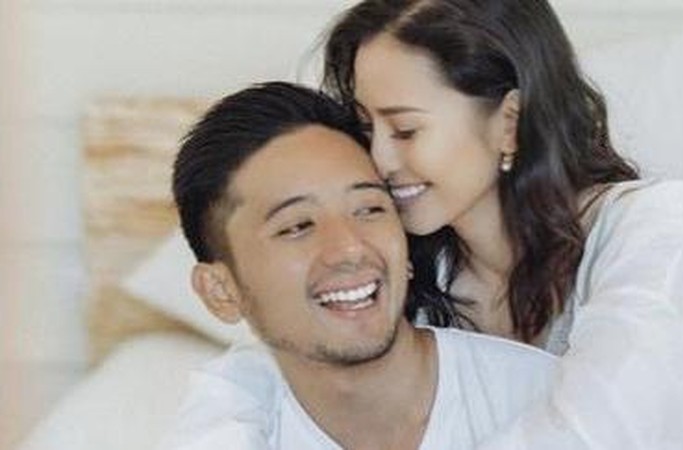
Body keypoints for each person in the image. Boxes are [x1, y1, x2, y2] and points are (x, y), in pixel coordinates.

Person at [321, 0, 683, 448]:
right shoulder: (409, 273)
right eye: (366, 129)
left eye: (405, 130)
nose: (379, 160)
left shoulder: (638, 230)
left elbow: (607, 420)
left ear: (509, 122)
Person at [160, 81, 561, 450]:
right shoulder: (229, 423)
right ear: (221, 292)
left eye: (369, 209)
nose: (350, 248)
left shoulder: (543, 402)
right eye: (297, 227)